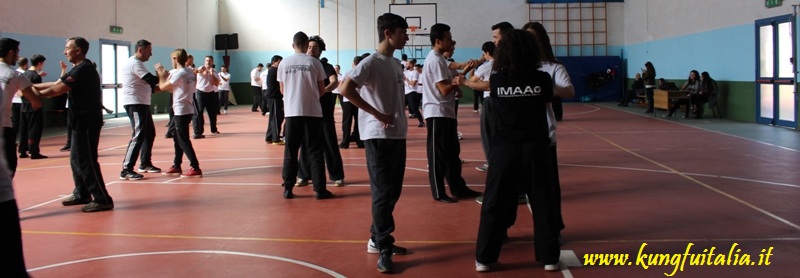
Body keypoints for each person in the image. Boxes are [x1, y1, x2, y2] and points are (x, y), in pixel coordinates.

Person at [474, 29, 560, 273]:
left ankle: (484, 258)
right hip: (536, 147)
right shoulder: (543, 79)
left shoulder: (498, 81)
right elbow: (544, 105)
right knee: (543, 200)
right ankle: (549, 257)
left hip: (504, 149)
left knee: (494, 201)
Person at [339, 12, 410, 273]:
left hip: (397, 135)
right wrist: (377, 114)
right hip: (378, 137)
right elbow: (346, 89)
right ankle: (383, 245)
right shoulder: (371, 62)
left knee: (392, 192)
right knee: (382, 193)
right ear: (388, 33)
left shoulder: (394, 63)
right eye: (403, 32)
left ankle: (376, 238)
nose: (406, 36)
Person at [35, 36, 113, 212]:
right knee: (76, 158)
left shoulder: (84, 69)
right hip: (77, 121)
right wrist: (29, 86)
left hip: (87, 121)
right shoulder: (76, 69)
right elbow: (55, 83)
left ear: (78, 50)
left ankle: (102, 198)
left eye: (68, 48)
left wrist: (33, 96)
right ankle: (82, 193)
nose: (64, 52)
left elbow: (57, 90)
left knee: (87, 160)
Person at [421, 23, 481, 203]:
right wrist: (458, 81)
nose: (451, 42)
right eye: (448, 39)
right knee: (438, 154)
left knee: (452, 153)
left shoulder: (442, 60)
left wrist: (462, 74)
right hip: (436, 112)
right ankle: (439, 192)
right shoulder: (435, 60)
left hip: (446, 113)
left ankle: (458, 188)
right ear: (438, 41)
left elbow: (453, 79)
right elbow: (444, 90)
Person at [525, 21, 574, 241]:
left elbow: (569, 90)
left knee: (548, 187)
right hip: (518, 137)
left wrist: (545, 87)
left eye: (535, 37)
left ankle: (554, 227)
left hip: (544, 137)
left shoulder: (553, 67)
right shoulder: (519, 67)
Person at [277, 31, 333, 200]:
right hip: (312, 112)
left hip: (292, 112)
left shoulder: (284, 63)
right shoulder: (314, 63)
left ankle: (288, 188)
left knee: (291, 151)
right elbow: (322, 90)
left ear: (293, 45)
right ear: (306, 44)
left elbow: (282, 90)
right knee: (315, 151)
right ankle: (320, 190)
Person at [297, 35, 345, 187]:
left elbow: (334, 81)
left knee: (330, 144)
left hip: (324, 112)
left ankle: (337, 176)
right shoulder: (303, 65)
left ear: (320, 50)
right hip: (308, 111)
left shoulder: (325, 66)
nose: (311, 50)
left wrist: (321, 91)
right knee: (305, 144)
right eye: (309, 47)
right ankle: (304, 175)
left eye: (315, 47)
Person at [155, 49, 202, 177]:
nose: (171, 62)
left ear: (176, 59)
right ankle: (176, 165)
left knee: (183, 139)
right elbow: (174, 89)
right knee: (177, 137)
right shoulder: (190, 73)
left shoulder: (180, 73)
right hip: (187, 108)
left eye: (172, 59)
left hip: (181, 109)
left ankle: (195, 166)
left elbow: (163, 87)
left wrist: (161, 74)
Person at [120, 39, 161, 180]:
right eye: (149, 51)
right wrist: (162, 75)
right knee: (139, 134)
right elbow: (152, 80)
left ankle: (145, 163)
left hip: (142, 102)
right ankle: (126, 168)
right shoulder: (135, 63)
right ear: (140, 50)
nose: (151, 54)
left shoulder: (138, 64)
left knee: (149, 133)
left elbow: (150, 85)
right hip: (135, 103)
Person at [18, 54, 48, 159]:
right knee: (34, 129)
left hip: (24, 106)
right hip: (33, 105)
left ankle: (22, 150)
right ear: (39, 63)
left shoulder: (24, 74)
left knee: (24, 129)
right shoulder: (36, 76)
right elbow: (36, 91)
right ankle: (34, 151)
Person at [339, 55, 365, 149]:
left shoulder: (348, 72)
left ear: (353, 63)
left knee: (346, 122)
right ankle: (360, 142)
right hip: (359, 100)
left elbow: (341, 86)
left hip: (348, 100)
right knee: (358, 122)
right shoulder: (363, 72)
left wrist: (343, 95)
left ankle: (345, 143)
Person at [193, 56, 221, 138]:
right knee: (200, 112)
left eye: (210, 61)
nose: (208, 62)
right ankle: (200, 131)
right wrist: (204, 71)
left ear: (212, 62)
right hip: (200, 93)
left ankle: (214, 129)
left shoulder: (215, 72)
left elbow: (216, 83)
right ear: (204, 61)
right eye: (206, 60)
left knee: (212, 113)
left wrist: (212, 75)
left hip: (211, 93)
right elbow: (199, 72)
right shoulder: (201, 68)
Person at [264, 55, 284, 144]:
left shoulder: (273, 70)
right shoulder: (274, 70)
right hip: (274, 96)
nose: (280, 64)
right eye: (279, 62)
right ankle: (275, 138)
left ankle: (270, 136)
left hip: (275, 96)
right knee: (276, 117)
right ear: (274, 62)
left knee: (274, 117)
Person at [403, 58, 424, 127]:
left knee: (414, 108)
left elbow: (413, 84)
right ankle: (399, 121)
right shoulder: (405, 72)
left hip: (412, 92)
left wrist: (406, 80)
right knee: (400, 107)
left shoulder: (415, 72)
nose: (406, 65)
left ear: (411, 65)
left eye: (407, 64)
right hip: (405, 93)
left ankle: (421, 121)